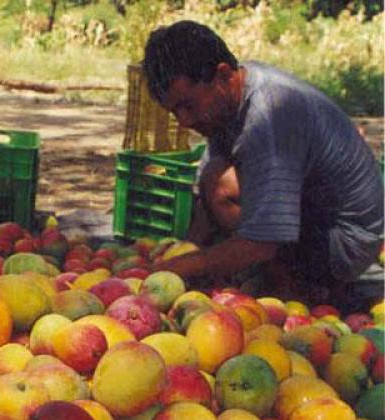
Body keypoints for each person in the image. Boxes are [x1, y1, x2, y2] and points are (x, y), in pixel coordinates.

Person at [142, 20, 384, 312]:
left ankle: (300, 291)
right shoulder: (229, 98)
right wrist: (181, 258)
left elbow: (262, 242)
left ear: (222, 74)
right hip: (312, 214)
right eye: (174, 111)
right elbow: (206, 205)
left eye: (188, 106)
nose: (184, 121)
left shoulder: (269, 114)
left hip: (344, 241)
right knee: (214, 179)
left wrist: (186, 265)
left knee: (222, 186)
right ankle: (271, 274)